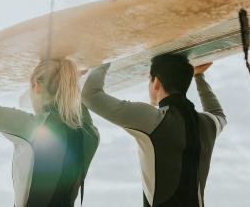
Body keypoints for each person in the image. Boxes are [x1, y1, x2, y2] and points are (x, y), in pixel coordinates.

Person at [0, 40, 100, 207]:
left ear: (37, 86)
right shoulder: (90, 133)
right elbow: (76, 107)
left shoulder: (34, 128)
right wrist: (70, 80)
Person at [82, 54, 226, 207]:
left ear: (156, 82)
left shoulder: (154, 120)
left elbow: (89, 95)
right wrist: (199, 76)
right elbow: (218, 113)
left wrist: (108, 54)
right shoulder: (208, 124)